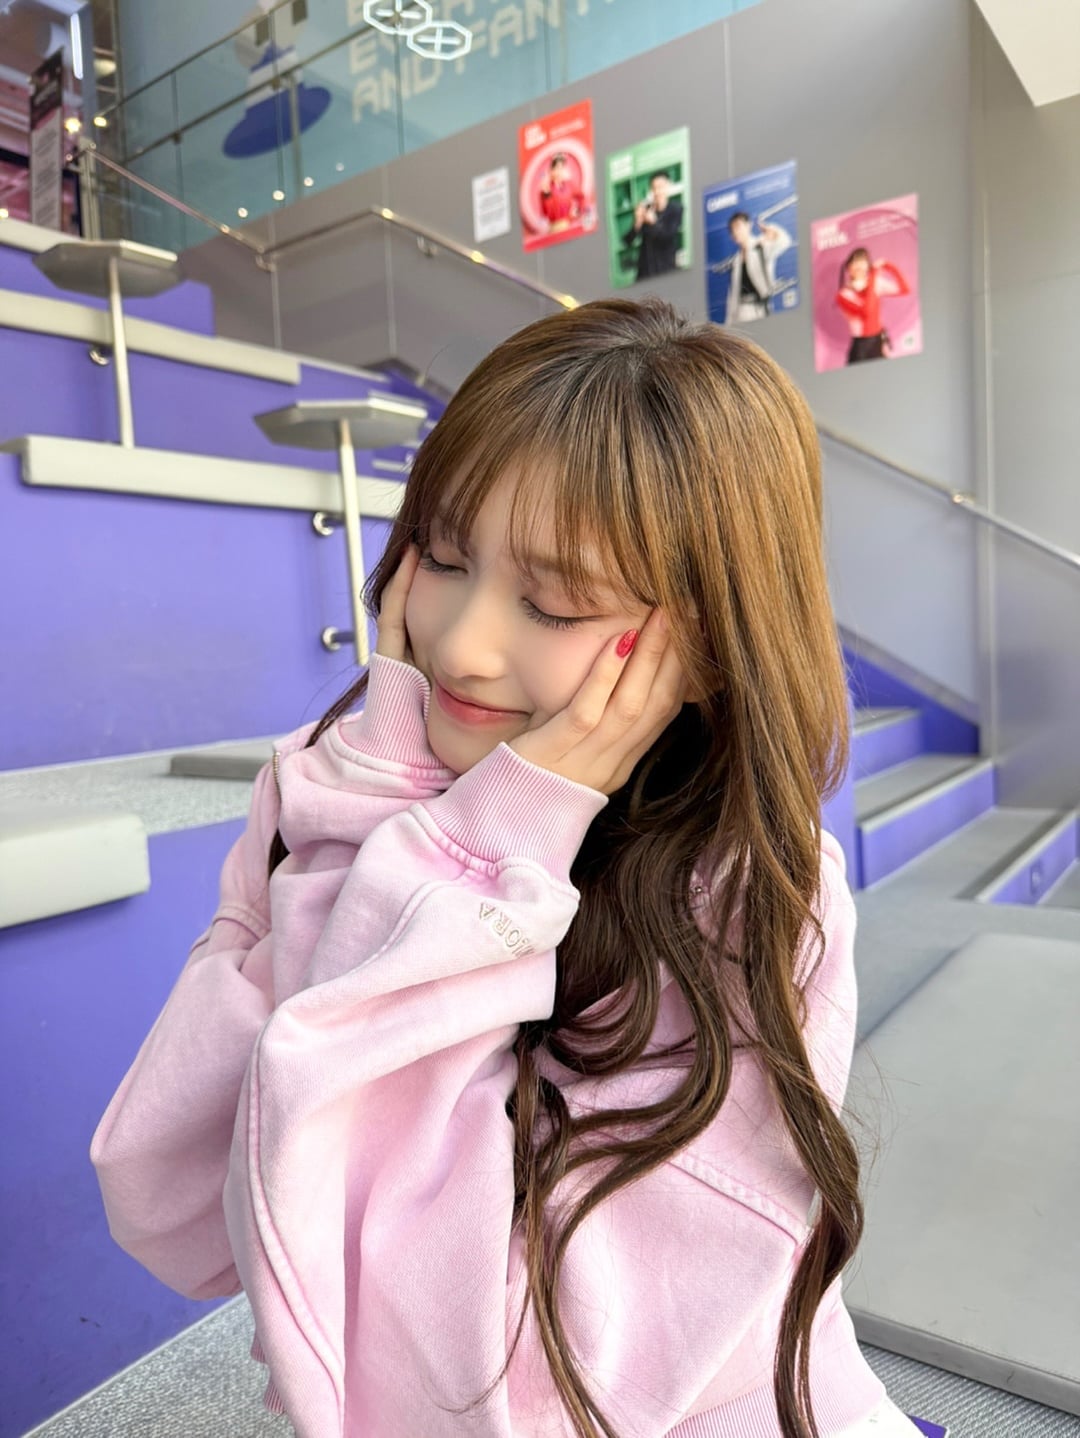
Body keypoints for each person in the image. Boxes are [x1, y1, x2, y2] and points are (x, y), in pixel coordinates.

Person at [91, 299, 924, 1438]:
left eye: (555, 602)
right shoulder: (336, 794)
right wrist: (381, 824)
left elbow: (483, 1386)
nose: (460, 643)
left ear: (708, 642)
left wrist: (482, 865)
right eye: (442, 556)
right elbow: (166, 1205)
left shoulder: (750, 895)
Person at [835, 247, 911, 363]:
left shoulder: (876, 283)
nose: (859, 265)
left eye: (863, 261)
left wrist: (889, 266)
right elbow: (866, 312)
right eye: (855, 261)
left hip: (878, 340)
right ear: (848, 268)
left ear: (868, 266)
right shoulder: (843, 295)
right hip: (861, 346)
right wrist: (873, 276)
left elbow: (904, 289)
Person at [725, 210, 794, 323]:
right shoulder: (736, 260)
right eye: (732, 230)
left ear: (748, 225)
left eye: (738, 227)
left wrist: (774, 233)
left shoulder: (760, 246)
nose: (736, 232)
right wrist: (729, 322)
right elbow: (733, 294)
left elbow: (785, 242)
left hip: (761, 309)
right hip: (742, 313)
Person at [624, 169, 684, 280]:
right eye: (654, 188)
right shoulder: (647, 210)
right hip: (645, 273)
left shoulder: (675, 209)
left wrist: (654, 222)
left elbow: (668, 236)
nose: (657, 192)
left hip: (666, 270)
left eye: (660, 187)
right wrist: (637, 222)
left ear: (667, 186)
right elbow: (627, 241)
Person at [539, 152, 584, 233]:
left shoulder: (569, 185)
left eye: (562, 167)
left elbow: (581, 196)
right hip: (555, 228)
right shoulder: (547, 189)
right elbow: (547, 212)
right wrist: (546, 194)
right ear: (551, 171)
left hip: (569, 224)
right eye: (557, 168)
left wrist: (578, 211)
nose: (559, 171)